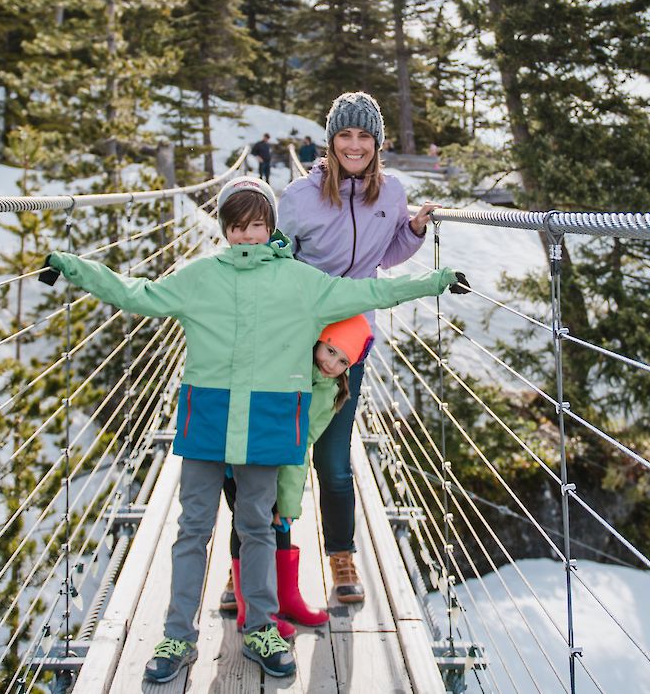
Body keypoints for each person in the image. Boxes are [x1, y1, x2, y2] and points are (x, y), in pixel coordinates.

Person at [41, 175, 461, 683]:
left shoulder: (303, 282)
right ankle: (177, 634)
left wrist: (434, 281)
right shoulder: (200, 277)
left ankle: (261, 625)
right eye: (237, 226)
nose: (247, 235)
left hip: (265, 419)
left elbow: (372, 289)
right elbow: (139, 295)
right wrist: (75, 269)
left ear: (271, 226)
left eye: (257, 225)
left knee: (258, 525)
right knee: (193, 528)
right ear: (224, 229)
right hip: (210, 417)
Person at [276, 92, 439, 604]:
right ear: (330, 141)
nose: (354, 145)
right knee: (276, 448)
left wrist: (412, 231)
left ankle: (341, 557)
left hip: (351, 334)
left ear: (377, 143)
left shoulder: (391, 193)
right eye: (344, 135)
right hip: (296, 329)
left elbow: (385, 255)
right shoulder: (298, 197)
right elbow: (277, 259)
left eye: (363, 136)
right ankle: (255, 562)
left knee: (332, 455)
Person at [221, 313, 374, 632]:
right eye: (330, 351)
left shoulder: (331, 391)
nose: (332, 364)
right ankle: (252, 609)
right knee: (248, 522)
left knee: (276, 519)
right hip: (244, 451)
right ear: (316, 342)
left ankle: (284, 598)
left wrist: (288, 504)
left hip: (280, 461)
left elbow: (299, 445)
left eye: (343, 361)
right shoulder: (289, 364)